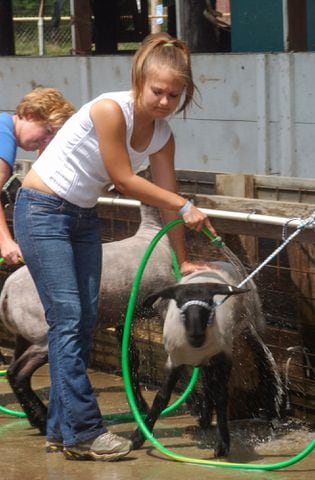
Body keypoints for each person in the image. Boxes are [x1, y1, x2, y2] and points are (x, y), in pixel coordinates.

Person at [13, 32, 217, 462]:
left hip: (83, 217)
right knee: (67, 318)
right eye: (158, 91)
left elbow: (167, 199)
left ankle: (61, 431)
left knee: (83, 321)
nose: (164, 102)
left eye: (174, 95)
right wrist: (184, 204)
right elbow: (124, 180)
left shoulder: (162, 136)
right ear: (140, 81)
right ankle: (86, 431)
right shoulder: (110, 110)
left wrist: (182, 261)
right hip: (42, 210)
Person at [0, 86, 74, 264]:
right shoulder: (4, 140)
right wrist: (6, 241)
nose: (47, 140)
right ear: (31, 114)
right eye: (48, 131)